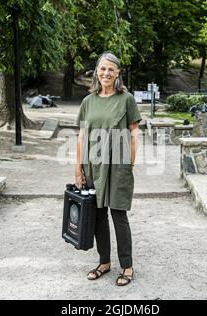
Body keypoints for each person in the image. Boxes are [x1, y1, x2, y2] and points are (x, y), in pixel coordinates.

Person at [75, 52, 142, 286]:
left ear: (117, 73)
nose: (106, 73)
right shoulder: (88, 101)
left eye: (111, 70)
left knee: (118, 215)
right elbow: (82, 136)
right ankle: (104, 262)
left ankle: (127, 266)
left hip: (119, 165)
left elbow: (134, 133)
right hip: (93, 166)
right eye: (102, 69)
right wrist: (78, 168)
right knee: (98, 216)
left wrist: (130, 164)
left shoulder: (126, 99)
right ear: (97, 71)